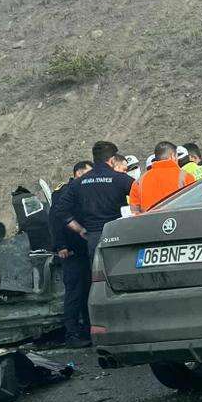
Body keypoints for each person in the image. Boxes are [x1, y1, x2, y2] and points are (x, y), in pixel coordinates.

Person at [68, 141, 135, 266]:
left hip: (94, 237)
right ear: (112, 159)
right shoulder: (121, 179)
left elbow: (61, 211)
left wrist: (80, 229)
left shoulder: (78, 183)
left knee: (99, 274)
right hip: (119, 233)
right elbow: (143, 196)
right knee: (123, 270)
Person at [50, 160, 93, 345]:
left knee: (87, 291)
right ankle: (72, 334)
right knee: (74, 293)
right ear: (79, 173)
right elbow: (55, 220)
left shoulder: (85, 190)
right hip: (71, 250)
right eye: (89, 173)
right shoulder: (64, 191)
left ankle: (87, 331)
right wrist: (61, 245)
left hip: (85, 249)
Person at [129, 140, 193, 211]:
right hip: (179, 217)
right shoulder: (185, 177)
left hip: (150, 218)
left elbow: (134, 211)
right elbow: (194, 203)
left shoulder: (139, 182)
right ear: (173, 156)